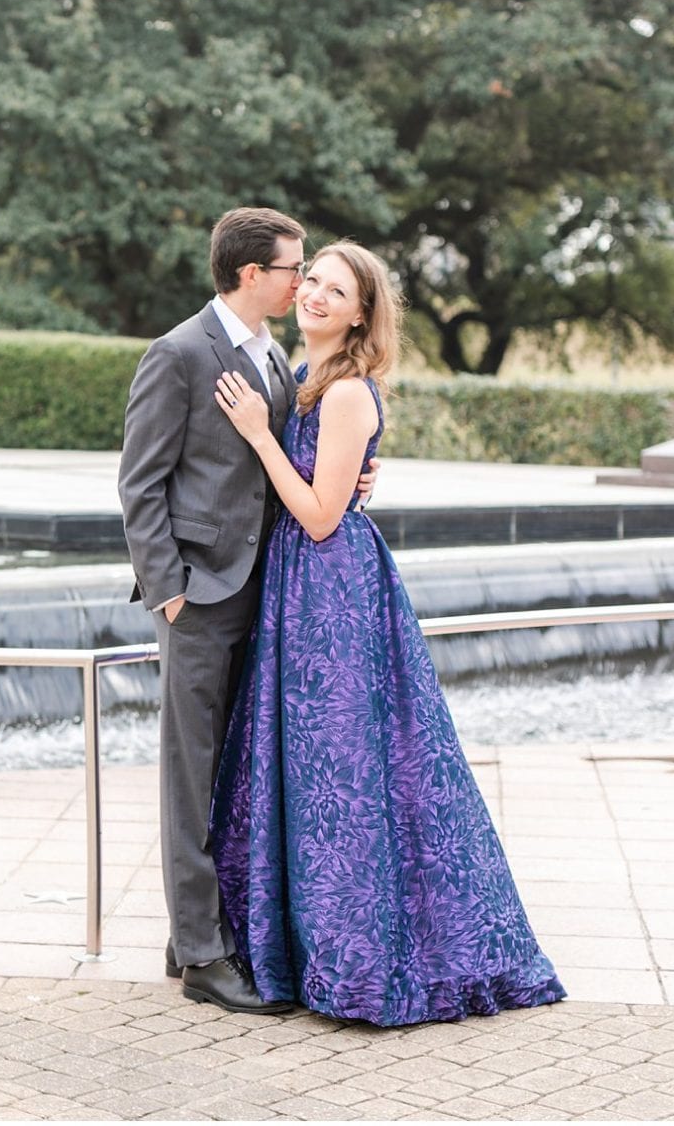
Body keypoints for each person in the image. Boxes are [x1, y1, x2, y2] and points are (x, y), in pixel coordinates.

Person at [208, 240, 566, 1027]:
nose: (316, 296)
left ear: (363, 312)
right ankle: (299, 949)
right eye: (312, 282)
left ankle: (362, 965)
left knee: (346, 774)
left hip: (332, 597)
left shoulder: (342, 394)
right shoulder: (303, 378)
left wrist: (259, 434)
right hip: (298, 590)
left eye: (338, 290)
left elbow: (321, 514)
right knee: (309, 769)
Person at [118, 208, 377, 1014]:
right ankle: (202, 959)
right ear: (250, 274)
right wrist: (170, 590)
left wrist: (357, 478)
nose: (303, 282)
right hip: (199, 600)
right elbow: (140, 485)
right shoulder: (180, 353)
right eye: (294, 268)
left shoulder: (280, 361)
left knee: (235, 776)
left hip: (270, 599)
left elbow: (299, 466)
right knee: (191, 779)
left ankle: (191, 930)